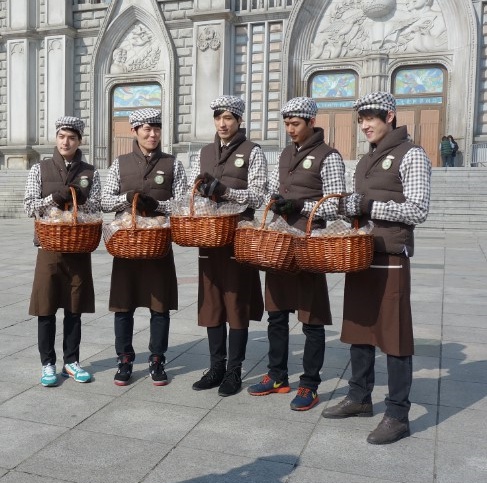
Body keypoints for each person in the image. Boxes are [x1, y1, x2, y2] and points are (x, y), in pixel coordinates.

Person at [321, 91, 432, 444]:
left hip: (391, 257)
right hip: (362, 254)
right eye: (360, 119)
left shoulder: (412, 155)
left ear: (390, 116)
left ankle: (398, 414)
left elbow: (417, 210)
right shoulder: (367, 159)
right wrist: (346, 208)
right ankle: (359, 397)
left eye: (371, 118)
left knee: (395, 336)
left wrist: (369, 205)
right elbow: (360, 204)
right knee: (358, 329)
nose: (365, 125)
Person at [247, 97, 346, 411]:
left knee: (311, 319)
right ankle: (277, 375)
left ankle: (310, 384)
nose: (290, 129)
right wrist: (275, 202)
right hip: (280, 243)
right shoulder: (285, 153)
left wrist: (301, 206)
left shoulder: (328, 157)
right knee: (276, 314)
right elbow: (275, 190)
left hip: (309, 243)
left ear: (310, 122)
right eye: (287, 123)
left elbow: (336, 204)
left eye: (295, 124)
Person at [188, 95, 267, 397]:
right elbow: (190, 191)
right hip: (209, 236)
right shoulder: (204, 152)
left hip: (238, 237)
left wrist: (226, 192)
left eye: (229, 118)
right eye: (218, 118)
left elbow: (259, 195)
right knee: (212, 303)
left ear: (239, 121)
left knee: (236, 303)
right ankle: (216, 366)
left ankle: (234, 369)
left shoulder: (252, 151)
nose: (223, 123)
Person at [101, 108, 187, 386]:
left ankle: (157, 358)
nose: (153, 134)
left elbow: (184, 203)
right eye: (147, 129)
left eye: (157, 129)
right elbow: (104, 200)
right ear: (134, 131)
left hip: (158, 244)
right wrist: (127, 198)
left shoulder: (173, 164)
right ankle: (124, 358)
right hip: (127, 244)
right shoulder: (120, 163)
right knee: (123, 305)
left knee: (159, 306)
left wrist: (158, 206)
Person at [24, 116, 101, 387]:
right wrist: (54, 199)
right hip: (49, 248)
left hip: (78, 249)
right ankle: (47, 363)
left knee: (74, 309)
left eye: (71, 137)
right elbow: (29, 206)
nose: (66, 142)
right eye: (61, 137)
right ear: (56, 139)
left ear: (79, 141)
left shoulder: (90, 172)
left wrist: (78, 202)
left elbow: (96, 208)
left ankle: (71, 361)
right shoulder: (40, 170)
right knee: (45, 309)